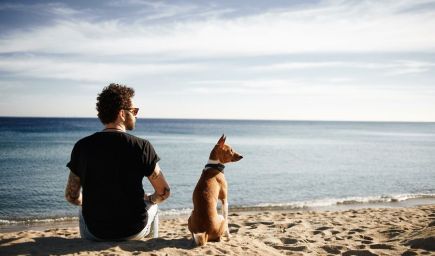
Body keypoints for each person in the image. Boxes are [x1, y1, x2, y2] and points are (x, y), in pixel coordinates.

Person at [65, 83, 170, 241]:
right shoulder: (142, 146)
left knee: (83, 208)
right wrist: (150, 199)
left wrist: (89, 202)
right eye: (134, 111)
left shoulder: (82, 146)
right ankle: (151, 243)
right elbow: (164, 192)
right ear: (122, 113)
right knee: (153, 206)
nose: (136, 115)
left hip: (95, 233)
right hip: (133, 231)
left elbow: (71, 196)